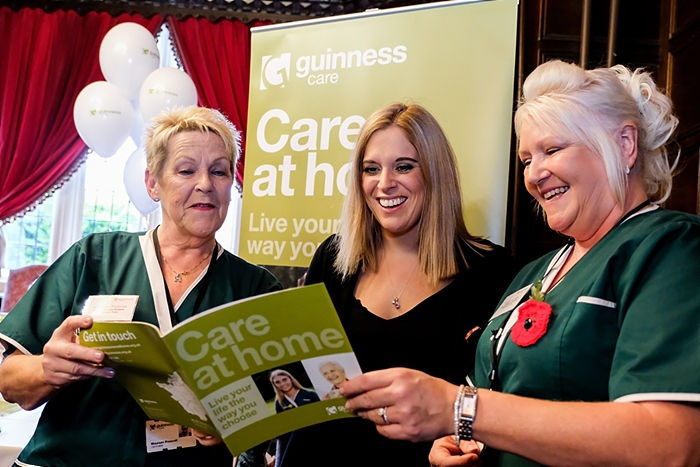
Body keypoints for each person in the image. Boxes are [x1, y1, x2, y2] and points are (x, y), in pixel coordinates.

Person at [340, 60, 700, 467]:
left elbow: (672, 444)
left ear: (624, 144)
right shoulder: (532, 274)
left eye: (552, 150)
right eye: (527, 159)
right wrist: (462, 441)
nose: (534, 175)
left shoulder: (668, 248)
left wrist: (460, 410)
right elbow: (491, 405)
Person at [0, 106, 282, 467]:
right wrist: (46, 370)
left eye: (219, 171)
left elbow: (279, 405)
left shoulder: (256, 289)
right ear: (153, 183)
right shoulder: (96, 257)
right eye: (186, 170)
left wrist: (235, 424)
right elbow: (10, 381)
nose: (205, 184)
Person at [275, 103, 518, 467]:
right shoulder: (334, 257)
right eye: (371, 169)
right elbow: (305, 379)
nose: (384, 183)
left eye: (404, 166)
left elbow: (497, 402)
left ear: (436, 174)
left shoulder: (493, 272)